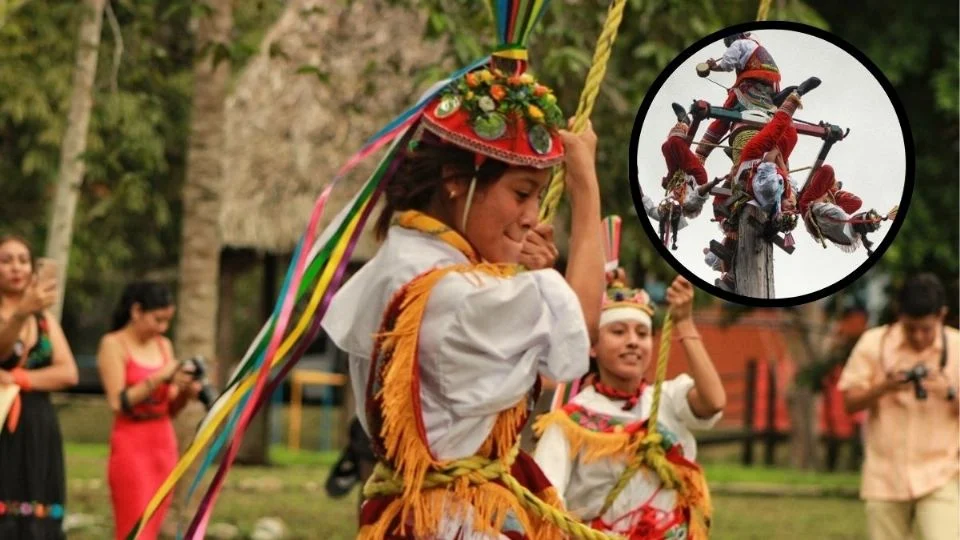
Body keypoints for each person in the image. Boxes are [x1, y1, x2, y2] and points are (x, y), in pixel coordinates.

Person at [320, 3, 606, 534]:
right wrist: (586, 190)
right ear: (456, 180)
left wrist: (522, 279)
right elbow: (586, 330)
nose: (531, 218)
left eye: (539, 197)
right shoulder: (456, 295)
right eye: (522, 194)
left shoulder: (404, 259)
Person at [532, 228, 725, 539]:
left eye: (641, 333)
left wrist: (684, 322)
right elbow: (546, 501)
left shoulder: (668, 400)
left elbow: (714, 402)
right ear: (592, 345)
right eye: (619, 332)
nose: (633, 342)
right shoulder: (569, 422)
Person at [838, 273, 959, 540]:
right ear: (899, 315)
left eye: (926, 329)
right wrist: (885, 386)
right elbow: (849, 402)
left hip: (942, 473)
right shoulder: (875, 343)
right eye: (910, 328)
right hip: (884, 477)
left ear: (942, 315)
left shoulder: (957, 346)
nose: (918, 337)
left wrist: (949, 388)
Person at [97, 281, 201, 540]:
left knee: (153, 528)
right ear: (136, 312)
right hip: (131, 444)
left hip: (163, 443)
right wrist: (159, 378)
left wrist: (187, 392)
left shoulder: (163, 345)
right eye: (157, 320)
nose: (162, 328)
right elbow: (117, 403)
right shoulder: (113, 344)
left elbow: (171, 406)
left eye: (167, 321)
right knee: (134, 529)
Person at [0, 234, 78, 539]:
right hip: (3, 424)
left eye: (23, 260)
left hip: (37, 424)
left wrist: (20, 379)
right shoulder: (21, 315)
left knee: (39, 514)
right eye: (6, 261)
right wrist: (20, 314)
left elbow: (68, 372)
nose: (16, 268)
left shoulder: (43, 318)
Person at [695, 32, 781, 162]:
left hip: (750, 84)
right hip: (771, 88)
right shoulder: (755, 45)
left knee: (726, 112)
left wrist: (714, 67)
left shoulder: (737, 44)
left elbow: (727, 64)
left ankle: (702, 152)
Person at [797, 165, 887, 254]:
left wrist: (825, 194)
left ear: (857, 218)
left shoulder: (838, 214)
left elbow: (814, 206)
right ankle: (832, 188)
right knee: (857, 203)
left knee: (828, 170)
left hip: (808, 207)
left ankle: (831, 187)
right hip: (823, 220)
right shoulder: (853, 239)